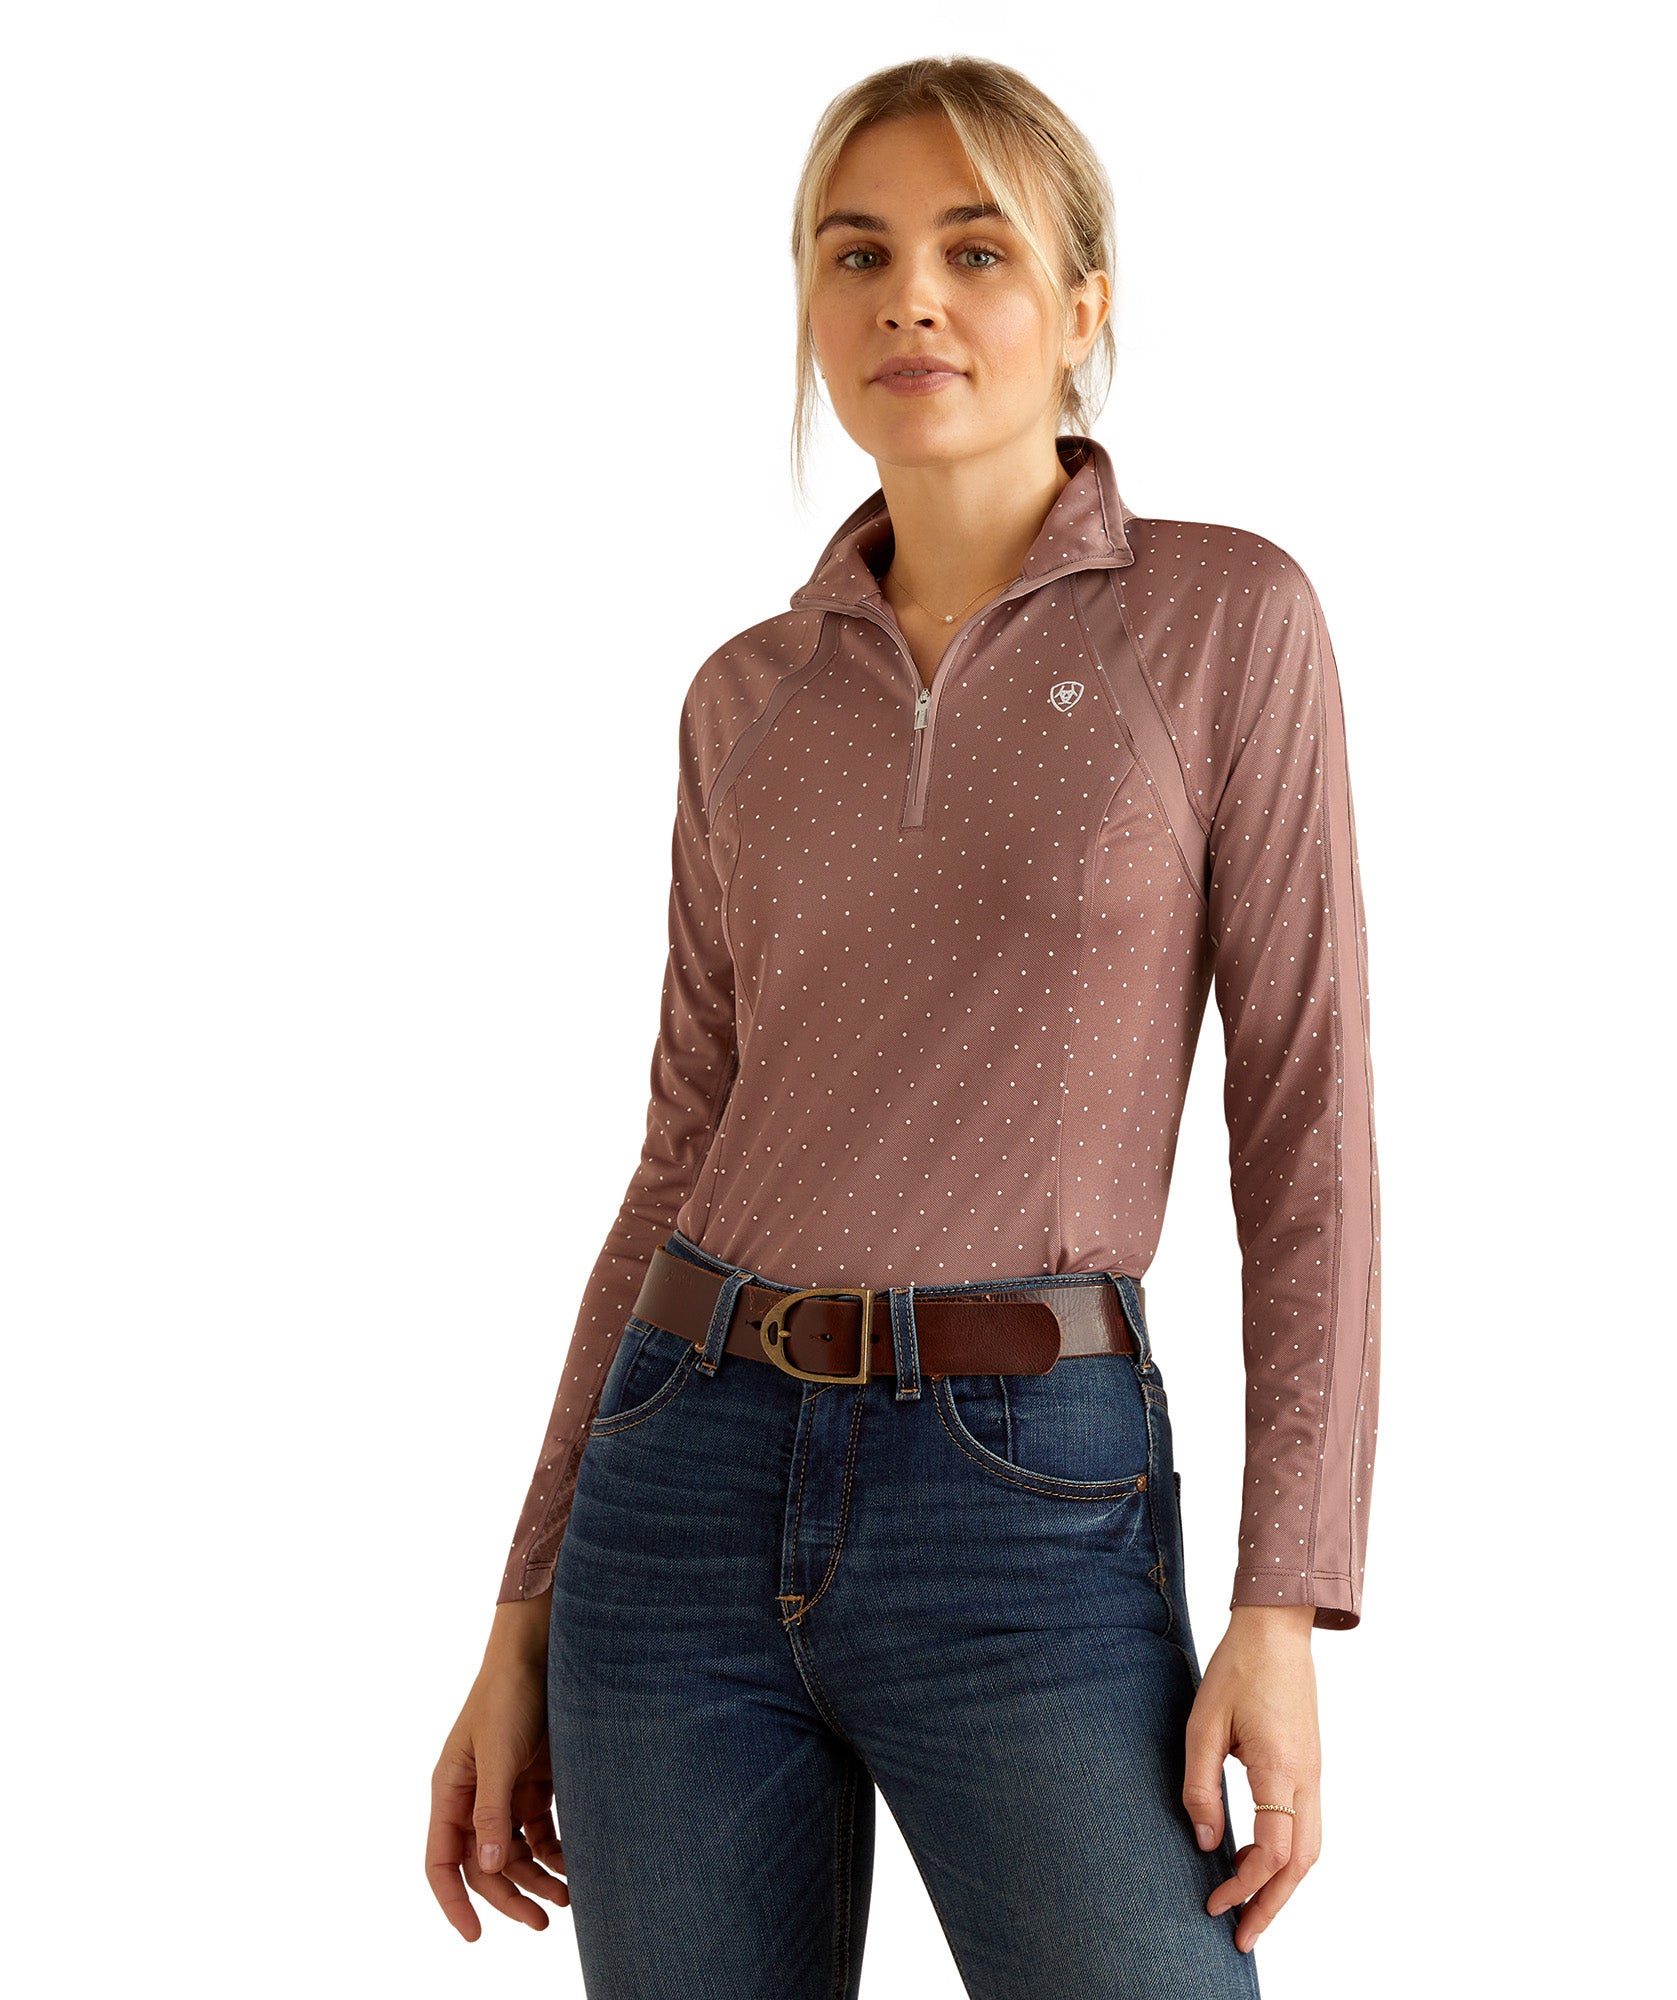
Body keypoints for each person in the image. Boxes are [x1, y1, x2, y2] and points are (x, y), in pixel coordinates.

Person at [427, 54, 1381, 1999]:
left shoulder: (1222, 622)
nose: (910, 300)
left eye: (975, 250)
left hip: (1027, 1499)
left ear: (1083, 305)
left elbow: (1307, 1120)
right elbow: (680, 1154)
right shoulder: (745, 698)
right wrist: (519, 1611)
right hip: (677, 1487)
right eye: (856, 254)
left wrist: (1284, 1596)